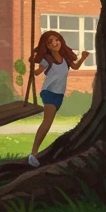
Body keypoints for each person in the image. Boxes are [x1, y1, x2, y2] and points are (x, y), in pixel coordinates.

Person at [27, 31, 90, 167]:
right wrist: (32, 63)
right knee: (47, 122)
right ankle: (33, 153)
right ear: (47, 46)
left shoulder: (65, 58)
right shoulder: (47, 59)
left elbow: (75, 66)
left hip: (59, 94)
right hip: (49, 92)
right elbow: (37, 72)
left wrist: (83, 57)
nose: (54, 43)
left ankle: (35, 152)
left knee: (49, 122)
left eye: (56, 40)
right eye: (50, 42)